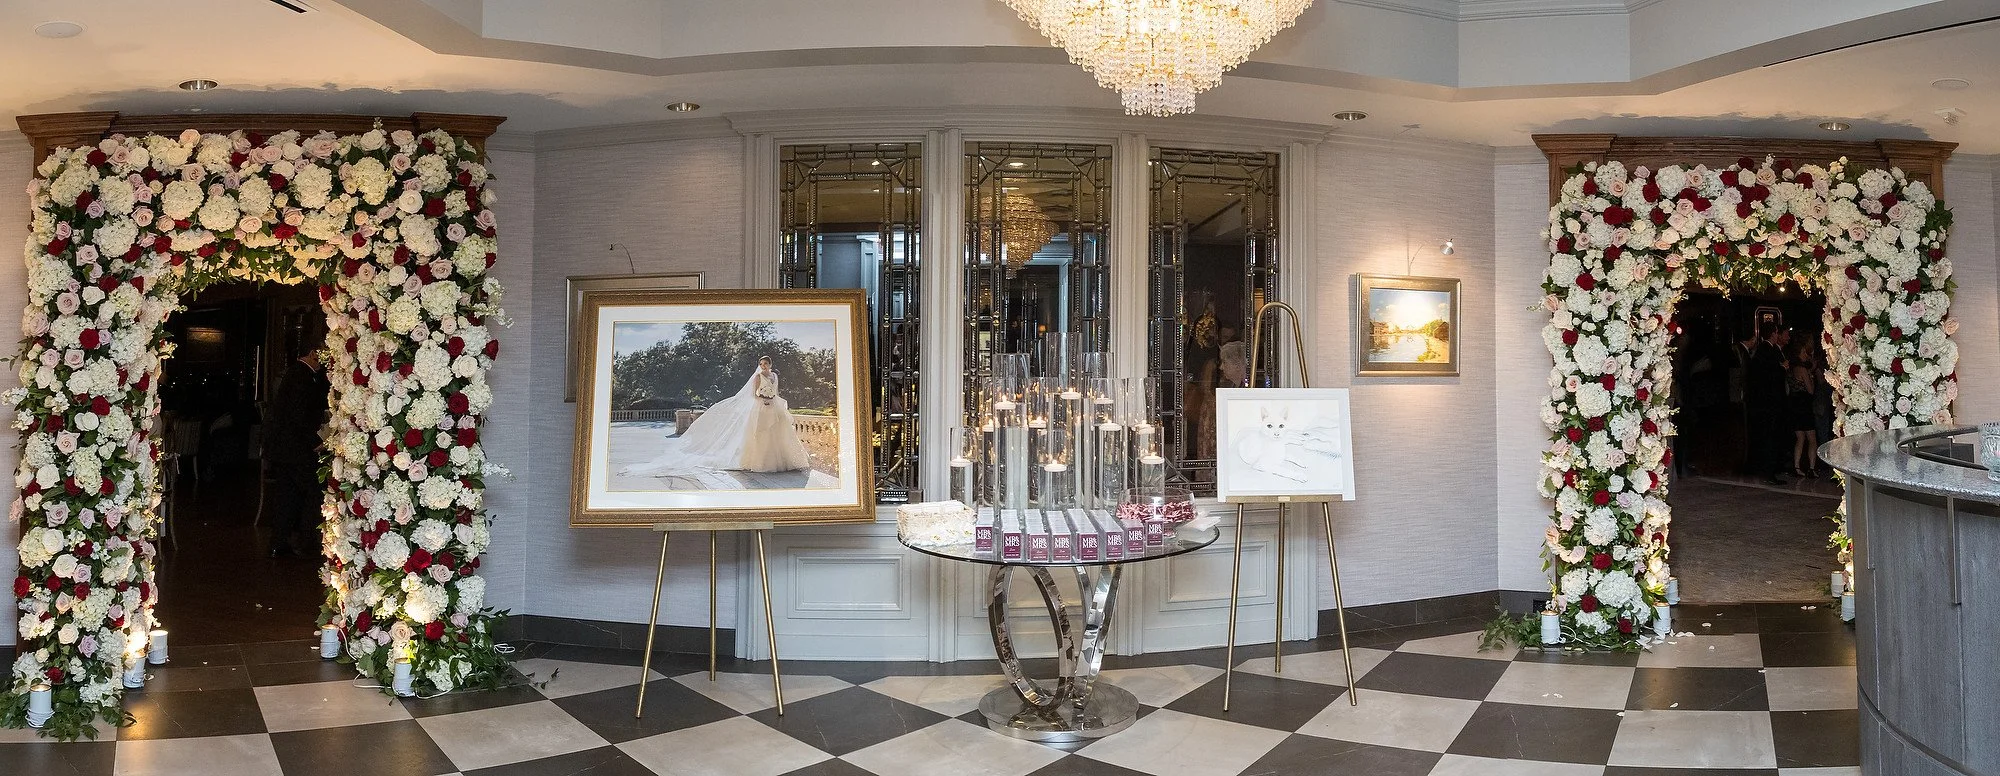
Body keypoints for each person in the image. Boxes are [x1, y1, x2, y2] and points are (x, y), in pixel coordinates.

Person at [623, 356, 810, 476]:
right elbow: (754, 394)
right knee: (761, 434)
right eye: (761, 364)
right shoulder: (757, 377)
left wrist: (773, 399)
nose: (763, 366)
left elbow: (776, 391)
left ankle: (784, 462)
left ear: (771, 365)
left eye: (766, 364)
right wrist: (764, 399)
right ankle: (762, 463)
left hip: (774, 406)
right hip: (761, 407)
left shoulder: (775, 376)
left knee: (779, 433)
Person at [265, 350, 329, 557]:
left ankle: (278, 543)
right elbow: (298, 414)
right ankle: (307, 542)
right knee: (313, 493)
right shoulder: (303, 376)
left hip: (284, 449)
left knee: (286, 496)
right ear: (313, 354)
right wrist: (315, 441)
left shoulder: (294, 373)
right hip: (297, 448)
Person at [1745, 324, 1791, 485]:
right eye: (1777, 333)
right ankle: (1769, 471)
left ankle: (1768, 468)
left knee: (1768, 436)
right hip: (1770, 403)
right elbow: (1769, 375)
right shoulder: (1767, 350)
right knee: (1770, 436)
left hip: (1766, 403)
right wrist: (1782, 368)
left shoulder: (1763, 350)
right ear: (1773, 334)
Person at [1787, 342, 1821, 478]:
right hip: (1804, 406)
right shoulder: (1802, 369)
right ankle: (1812, 468)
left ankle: (1796, 466)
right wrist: (1811, 376)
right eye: (1804, 352)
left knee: (1800, 438)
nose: (1806, 355)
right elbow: (1810, 390)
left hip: (1794, 405)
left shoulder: (1791, 369)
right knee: (1812, 438)